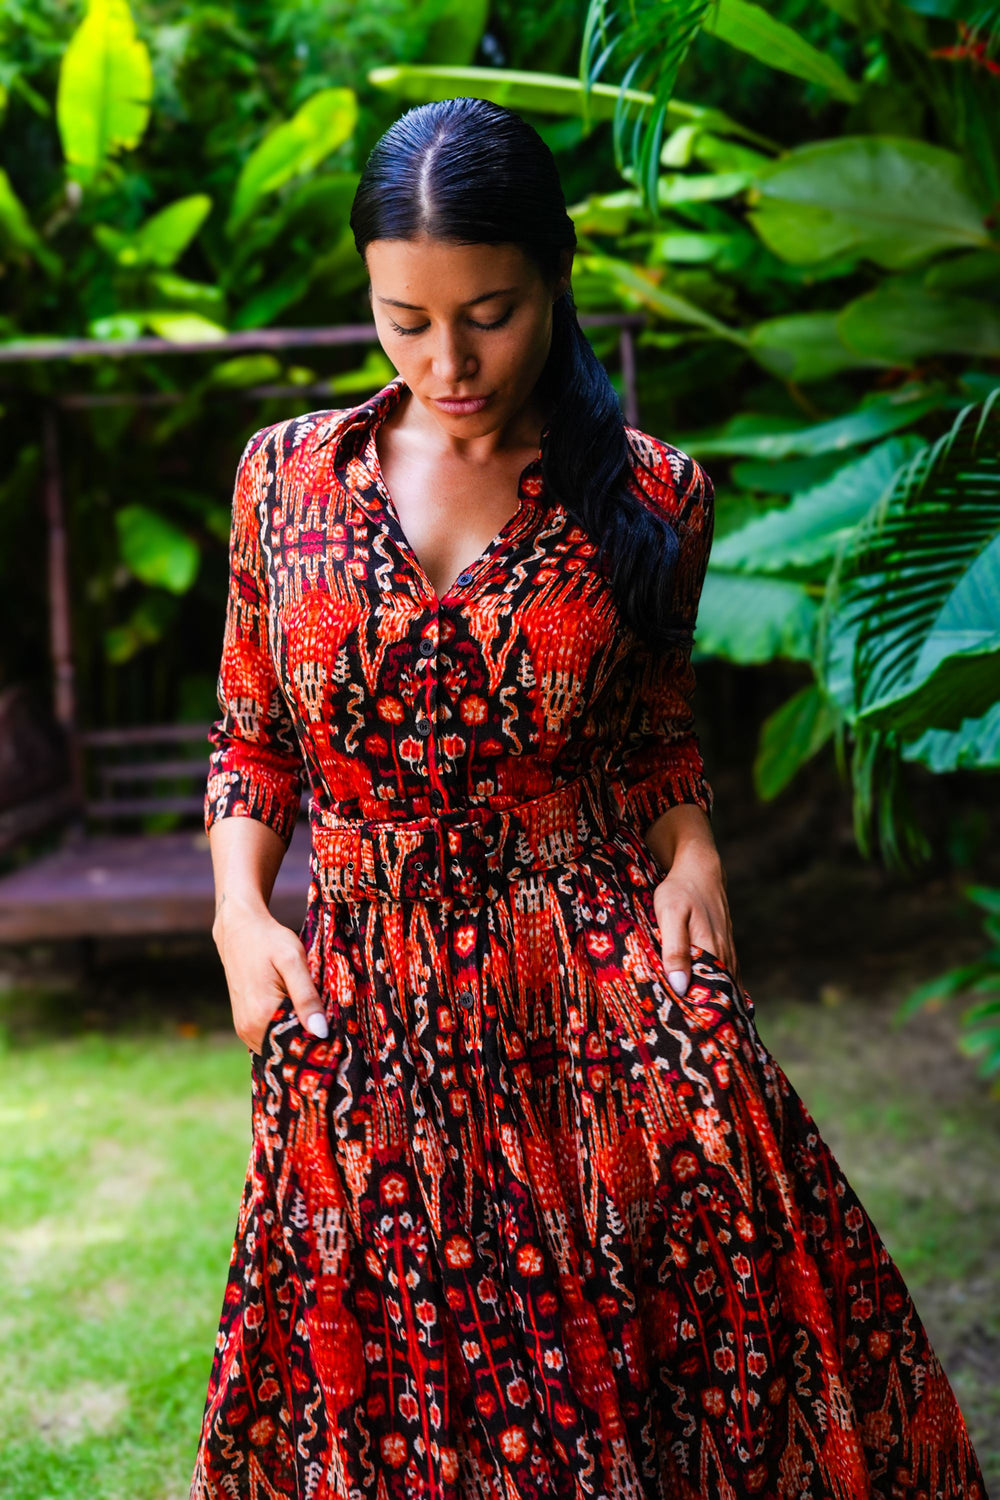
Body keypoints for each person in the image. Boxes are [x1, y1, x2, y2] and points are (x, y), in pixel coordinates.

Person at [191, 96, 985, 1500]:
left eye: (488, 315)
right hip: (364, 991)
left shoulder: (656, 499)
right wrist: (239, 913)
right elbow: (254, 739)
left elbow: (657, 734)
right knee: (397, 1376)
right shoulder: (283, 480)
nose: (449, 361)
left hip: (589, 973)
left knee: (688, 1334)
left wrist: (695, 848)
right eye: (405, 321)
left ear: (555, 277)